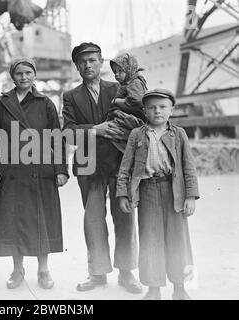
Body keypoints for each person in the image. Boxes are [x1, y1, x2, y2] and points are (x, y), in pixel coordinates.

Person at [62, 42, 142, 293]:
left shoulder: (120, 88)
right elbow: (67, 133)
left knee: (125, 218)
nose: (88, 65)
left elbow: (140, 119)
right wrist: (96, 129)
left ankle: (127, 273)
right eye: (83, 61)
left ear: (101, 62)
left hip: (120, 164)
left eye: (93, 60)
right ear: (77, 66)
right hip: (89, 166)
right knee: (94, 221)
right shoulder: (71, 96)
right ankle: (97, 273)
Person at [0, 58, 68, 290]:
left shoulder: (46, 103)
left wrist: (61, 170)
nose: (23, 77)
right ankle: (17, 270)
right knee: (13, 220)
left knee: (41, 220)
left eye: (28, 72)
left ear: (34, 75)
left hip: (40, 170)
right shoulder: (1, 104)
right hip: (10, 171)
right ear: (13, 76)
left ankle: (43, 270)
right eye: (19, 73)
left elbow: (57, 139)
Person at [116, 89, 199, 300]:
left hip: (174, 191)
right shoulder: (137, 135)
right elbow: (126, 167)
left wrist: (190, 196)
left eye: (163, 107)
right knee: (150, 240)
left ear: (172, 110)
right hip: (147, 191)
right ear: (144, 111)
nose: (157, 111)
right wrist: (123, 194)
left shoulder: (179, 134)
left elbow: (188, 167)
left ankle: (179, 287)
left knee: (177, 240)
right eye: (152, 107)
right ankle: (153, 288)